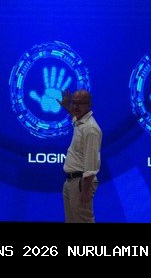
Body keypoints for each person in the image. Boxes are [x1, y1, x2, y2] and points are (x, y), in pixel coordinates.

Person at [58, 89, 102, 223]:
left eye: (80, 103)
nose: (76, 107)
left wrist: (85, 190)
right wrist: (67, 106)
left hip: (81, 183)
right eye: (74, 103)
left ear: (89, 105)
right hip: (71, 182)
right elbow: (74, 115)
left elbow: (91, 165)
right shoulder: (80, 122)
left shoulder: (90, 129)